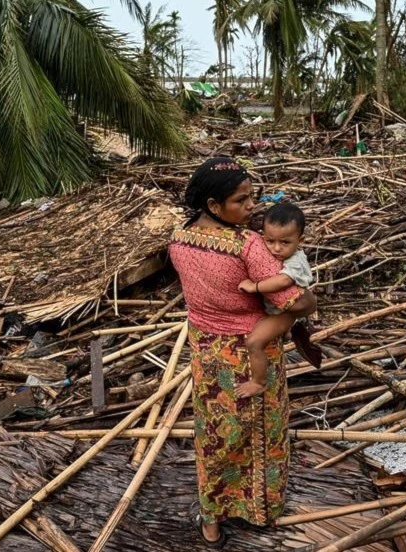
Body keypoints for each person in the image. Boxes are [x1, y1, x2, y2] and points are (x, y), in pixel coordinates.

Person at [168, 157, 317, 547]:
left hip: (205, 352)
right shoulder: (248, 245)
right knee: (262, 432)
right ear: (215, 206)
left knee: (214, 435)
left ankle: (211, 517)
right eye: (242, 200)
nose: (252, 207)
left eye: (253, 197)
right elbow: (294, 301)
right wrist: (310, 302)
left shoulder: (178, 240)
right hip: (252, 351)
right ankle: (260, 510)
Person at [236, 202, 321, 399]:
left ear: (300, 240)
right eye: (270, 241)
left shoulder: (295, 262)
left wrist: (254, 287)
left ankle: (259, 382)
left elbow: (283, 281)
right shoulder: (273, 250)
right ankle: (289, 334)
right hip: (276, 310)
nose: (276, 248)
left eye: (285, 243)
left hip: (284, 313)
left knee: (254, 342)